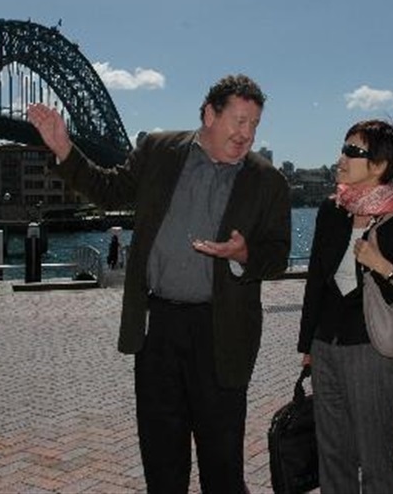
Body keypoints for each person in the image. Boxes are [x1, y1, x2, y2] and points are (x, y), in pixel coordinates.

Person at [27, 74, 291, 493]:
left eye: (254, 125)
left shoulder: (267, 180)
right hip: (158, 327)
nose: (246, 135)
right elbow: (110, 191)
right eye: (239, 121)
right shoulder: (158, 149)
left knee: (222, 464)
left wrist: (244, 255)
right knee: (162, 459)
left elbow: (277, 254)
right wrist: (64, 149)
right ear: (209, 114)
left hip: (222, 332)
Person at [297, 119, 393, 493]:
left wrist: (383, 266)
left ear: (380, 165)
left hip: (371, 349)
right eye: (344, 148)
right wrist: (307, 345)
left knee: (374, 458)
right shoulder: (332, 211)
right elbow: (316, 282)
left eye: (353, 151)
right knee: (332, 455)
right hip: (326, 346)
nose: (342, 158)